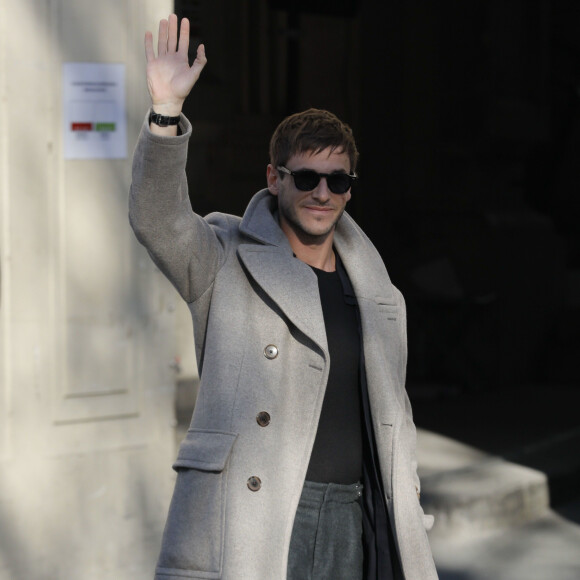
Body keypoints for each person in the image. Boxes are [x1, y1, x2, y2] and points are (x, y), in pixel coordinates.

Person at [129, 14, 438, 580]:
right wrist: (165, 113)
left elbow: (396, 419)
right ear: (274, 179)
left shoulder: (378, 295)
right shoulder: (225, 258)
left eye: (337, 180)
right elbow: (158, 221)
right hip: (262, 515)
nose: (322, 193)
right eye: (305, 178)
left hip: (352, 517)